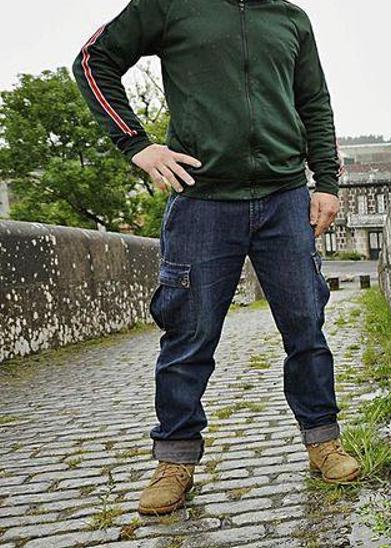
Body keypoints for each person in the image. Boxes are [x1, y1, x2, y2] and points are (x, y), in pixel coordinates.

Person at [73, 0, 360, 516]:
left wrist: (327, 183)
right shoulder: (168, 6)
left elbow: (315, 102)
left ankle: (323, 441)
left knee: (306, 329)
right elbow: (94, 62)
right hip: (202, 201)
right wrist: (137, 145)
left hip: (285, 197)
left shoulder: (290, 18)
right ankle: (175, 462)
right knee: (188, 335)